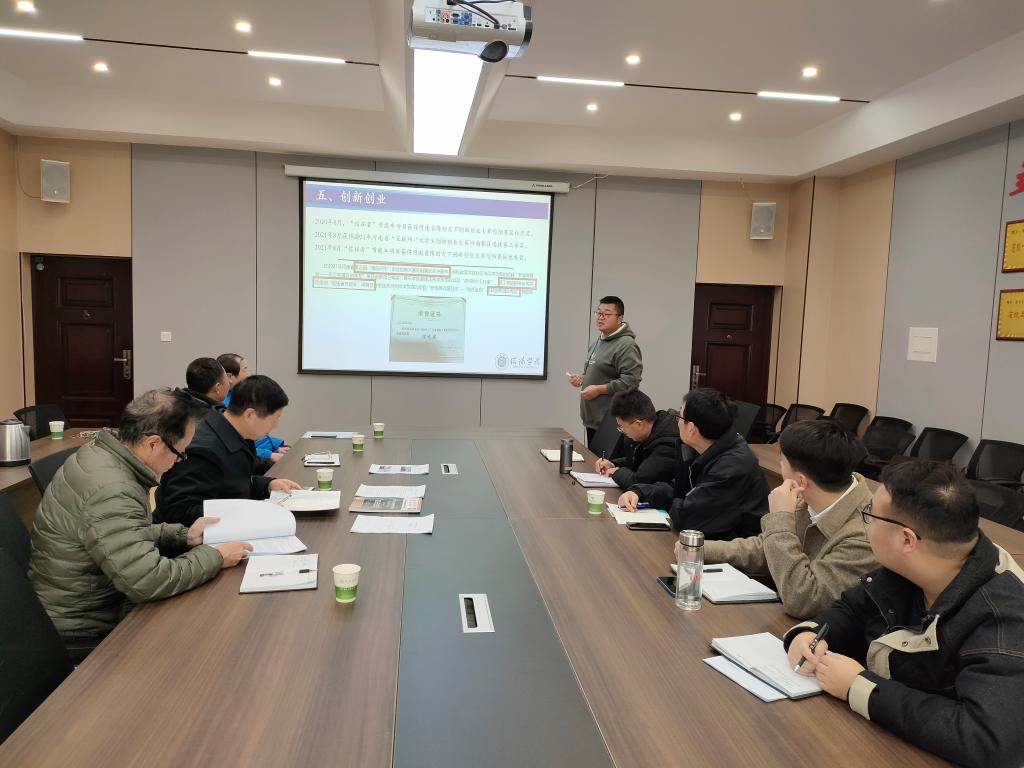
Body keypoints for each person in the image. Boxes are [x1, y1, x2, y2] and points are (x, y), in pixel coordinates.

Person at [785, 460, 1024, 767]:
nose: (866, 525)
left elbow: (984, 739)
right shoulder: (913, 568)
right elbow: (852, 609)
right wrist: (808, 633)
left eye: (870, 515)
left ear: (907, 539)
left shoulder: (1004, 618)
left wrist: (859, 686)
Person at [27, 389, 253, 660]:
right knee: (210, 641)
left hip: (92, 597)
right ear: (153, 443)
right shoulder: (113, 489)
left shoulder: (101, 453)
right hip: (86, 623)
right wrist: (215, 556)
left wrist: (183, 536)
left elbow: (118, 533)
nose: (179, 461)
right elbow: (147, 580)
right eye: (179, 453)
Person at [690, 419, 876, 618]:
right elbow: (767, 549)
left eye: (782, 463)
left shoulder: (865, 535)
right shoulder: (815, 496)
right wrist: (699, 549)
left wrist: (780, 519)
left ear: (801, 481)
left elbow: (803, 599)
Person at [618, 388, 767, 538]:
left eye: (679, 416)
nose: (676, 422)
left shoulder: (732, 467)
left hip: (728, 548)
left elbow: (687, 517)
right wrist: (641, 492)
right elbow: (680, 489)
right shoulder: (705, 447)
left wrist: (665, 501)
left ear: (691, 428)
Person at [155, 375, 301, 526]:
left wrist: (267, 485)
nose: (276, 425)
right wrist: (245, 511)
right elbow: (179, 511)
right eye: (275, 418)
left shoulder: (233, 431)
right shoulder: (203, 449)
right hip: (192, 536)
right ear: (250, 415)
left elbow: (231, 483)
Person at [567, 295, 642, 445]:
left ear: (619, 318)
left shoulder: (626, 345)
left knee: (603, 460)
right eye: (598, 313)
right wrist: (582, 378)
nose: (600, 318)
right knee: (593, 459)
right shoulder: (598, 341)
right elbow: (603, 372)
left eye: (606, 314)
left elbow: (631, 381)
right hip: (593, 419)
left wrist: (599, 389)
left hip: (611, 423)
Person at [593, 389, 679, 488]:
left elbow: (639, 481)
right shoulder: (652, 428)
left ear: (638, 424)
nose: (622, 431)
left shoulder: (667, 445)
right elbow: (638, 461)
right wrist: (613, 464)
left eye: (622, 427)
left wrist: (617, 472)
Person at [218, 352, 288, 464]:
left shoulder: (244, 397)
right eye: (245, 370)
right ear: (230, 377)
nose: (249, 374)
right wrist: (270, 454)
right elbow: (243, 443)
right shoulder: (229, 405)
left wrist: (276, 446)